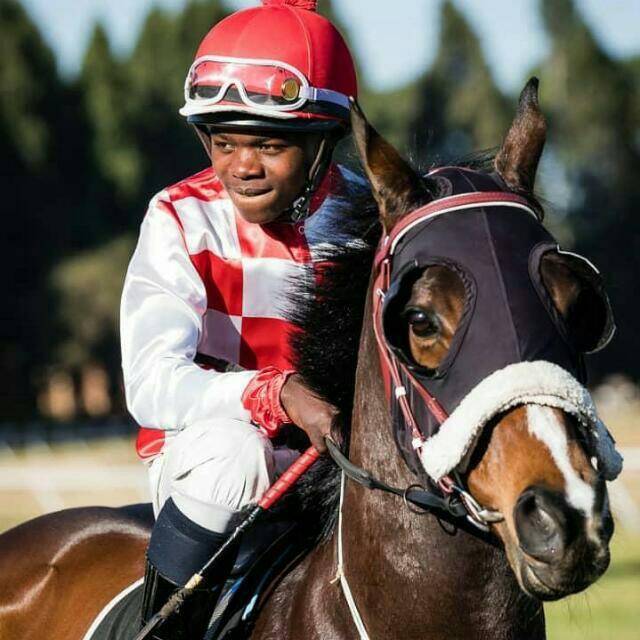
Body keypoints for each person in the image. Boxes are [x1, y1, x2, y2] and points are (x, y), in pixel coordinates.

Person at [119, 0, 359, 636]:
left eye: (269, 144)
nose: (242, 167)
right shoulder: (178, 217)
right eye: (224, 143)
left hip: (340, 458)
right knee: (237, 453)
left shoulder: (370, 218)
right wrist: (276, 393)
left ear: (323, 142)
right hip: (206, 463)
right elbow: (150, 384)